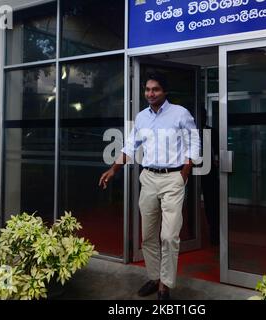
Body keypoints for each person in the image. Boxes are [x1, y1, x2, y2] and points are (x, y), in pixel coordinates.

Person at [99, 73, 200, 300]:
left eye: (155, 89)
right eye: (147, 89)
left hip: (173, 179)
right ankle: (155, 278)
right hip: (148, 179)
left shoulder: (180, 113)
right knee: (148, 237)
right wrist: (113, 169)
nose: (150, 94)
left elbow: (194, 140)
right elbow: (129, 146)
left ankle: (165, 285)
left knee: (169, 236)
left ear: (165, 92)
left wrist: (185, 170)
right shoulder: (142, 117)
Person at [199, 107, 220, 246]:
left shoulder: (211, 131)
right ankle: (191, 233)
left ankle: (214, 234)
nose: (202, 117)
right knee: (188, 203)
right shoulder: (187, 133)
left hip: (208, 171)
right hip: (190, 171)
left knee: (212, 203)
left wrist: (217, 161)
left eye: (204, 115)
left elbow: (217, 149)